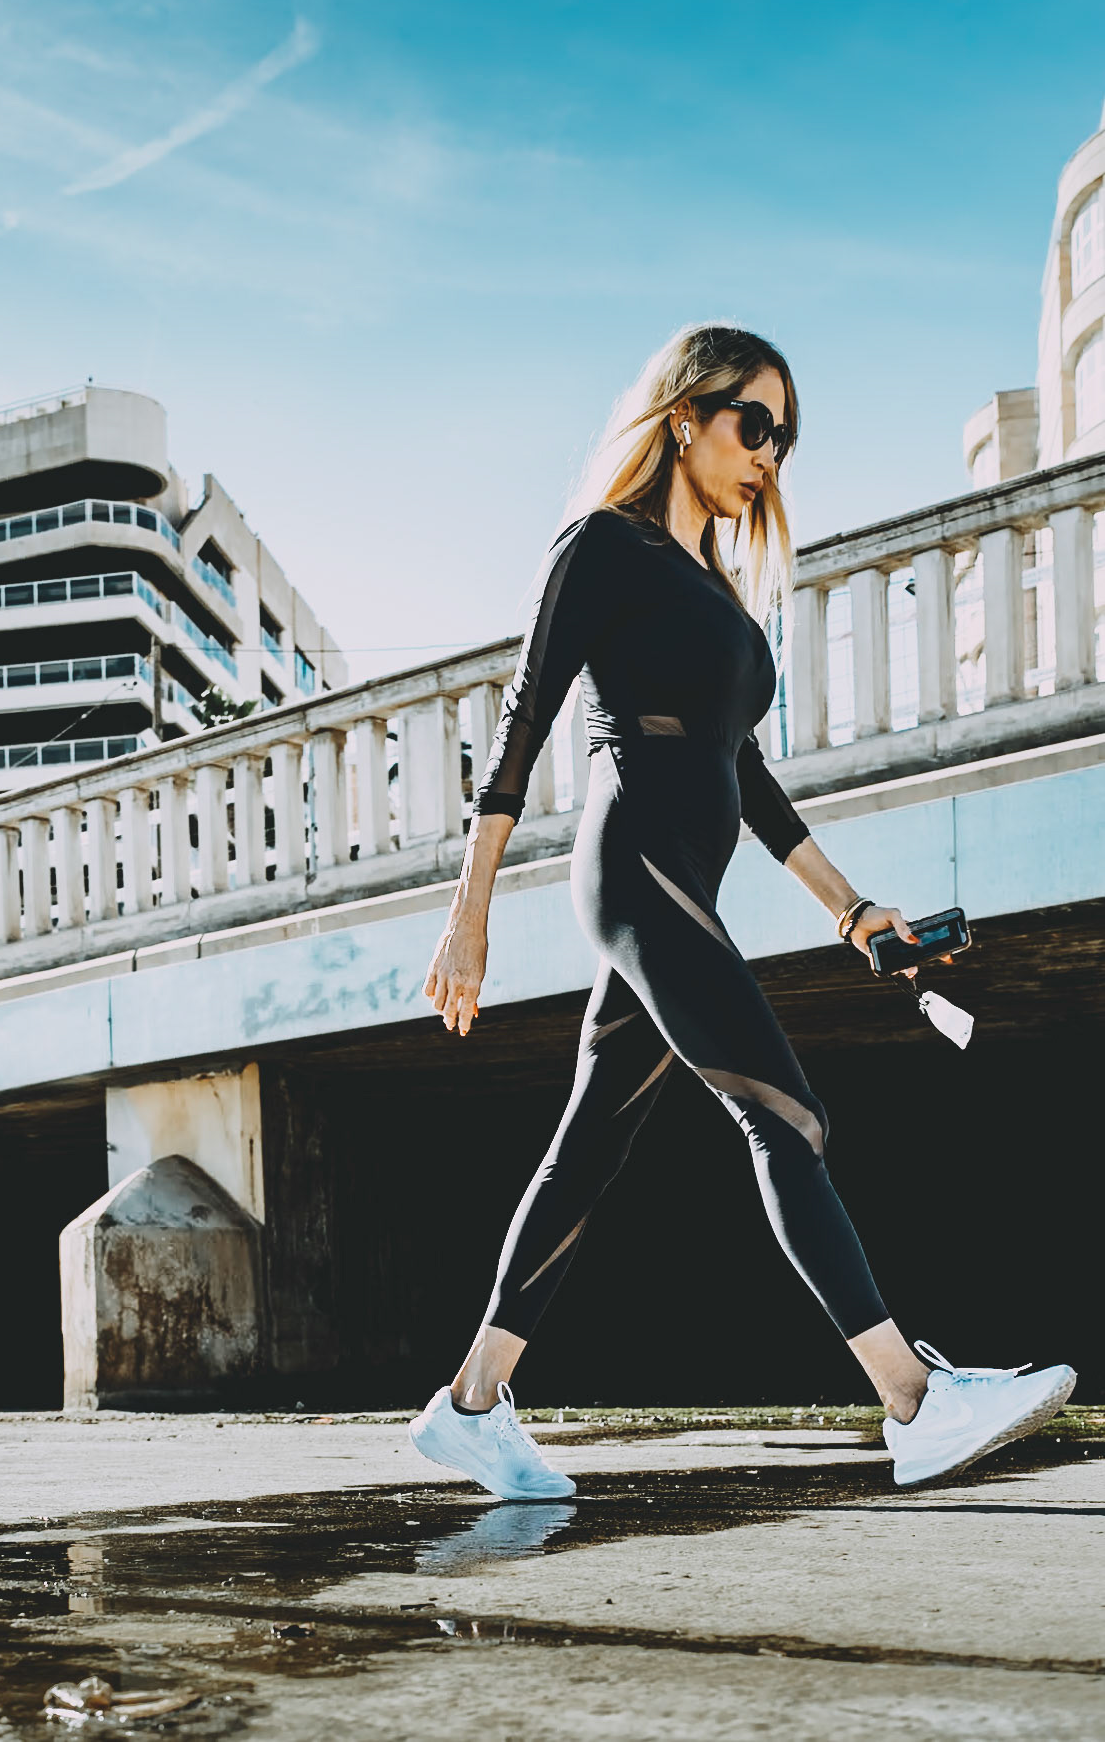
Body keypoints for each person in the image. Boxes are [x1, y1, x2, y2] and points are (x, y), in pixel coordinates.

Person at [408, 323, 1075, 1499]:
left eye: (787, 436)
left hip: (683, 879)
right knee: (788, 1117)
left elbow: (746, 775)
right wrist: (469, 915)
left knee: (588, 1146)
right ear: (685, 417)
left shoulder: (710, 586)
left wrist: (855, 911)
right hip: (635, 875)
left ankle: (470, 1405)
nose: (771, 453)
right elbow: (522, 721)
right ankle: (914, 1401)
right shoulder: (603, 548)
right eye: (752, 423)